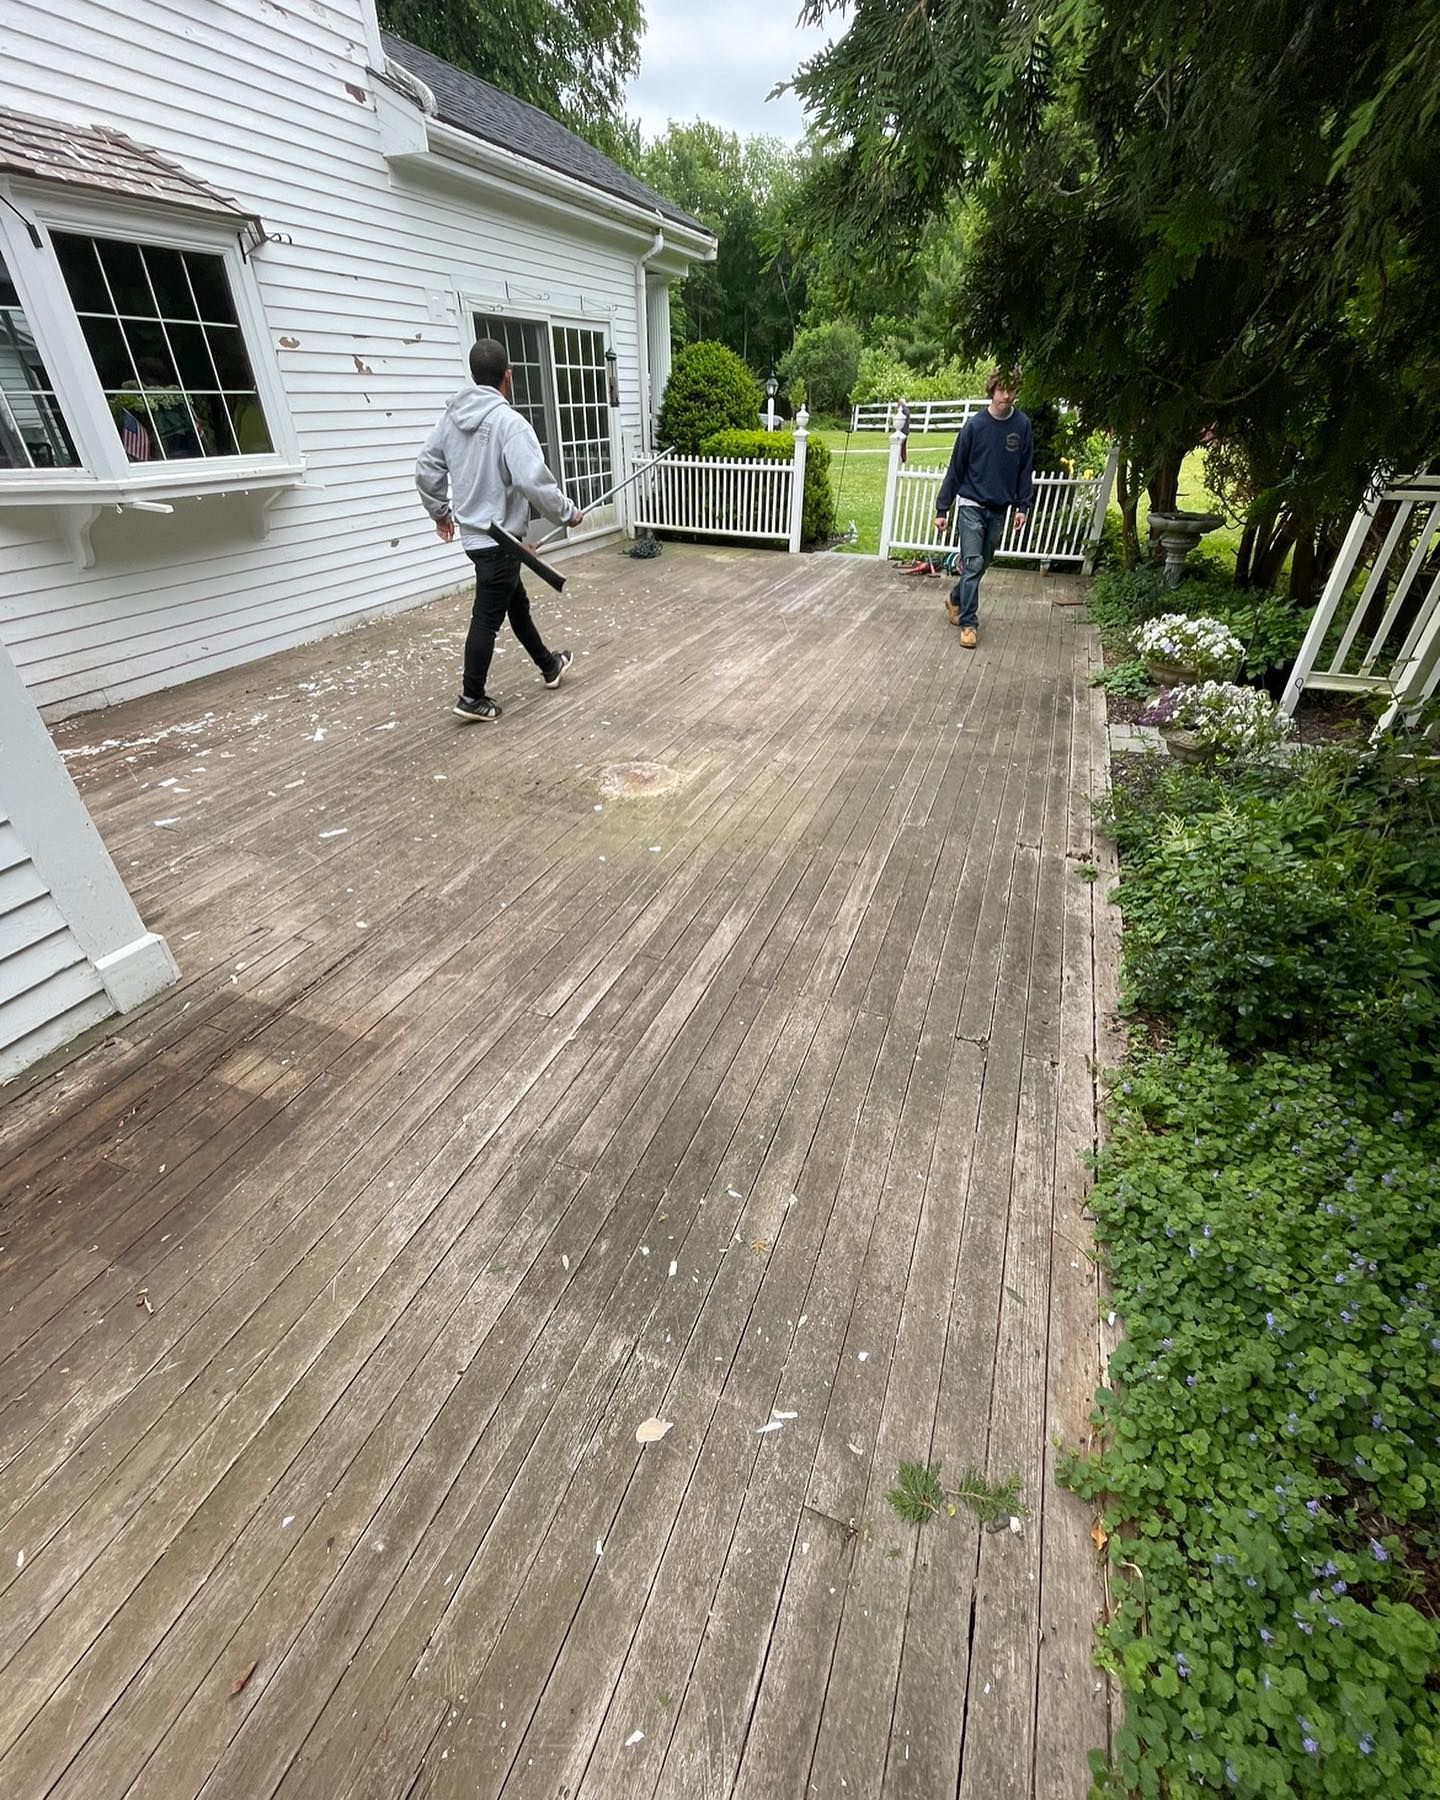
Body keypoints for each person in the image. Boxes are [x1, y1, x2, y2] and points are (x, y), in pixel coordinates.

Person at [416, 338, 584, 722]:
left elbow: (426, 468)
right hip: (500, 539)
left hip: (477, 540)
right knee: (487, 619)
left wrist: (440, 512)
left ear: (476, 377)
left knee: (516, 604)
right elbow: (532, 481)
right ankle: (472, 695)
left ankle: (549, 665)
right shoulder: (510, 423)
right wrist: (567, 513)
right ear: (507, 376)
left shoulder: (451, 420)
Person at [933, 369, 1033, 649]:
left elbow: (1025, 469)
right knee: (974, 562)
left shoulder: (1022, 426)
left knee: (981, 564)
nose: (1007, 395)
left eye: (1012, 390)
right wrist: (943, 509)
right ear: (992, 390)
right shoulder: (975, 427)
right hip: (971, 505)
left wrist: (1022, 505)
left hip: (999, 507)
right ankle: (968, 623)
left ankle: (955, 598)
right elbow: (956, 469)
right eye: (1001, 389)